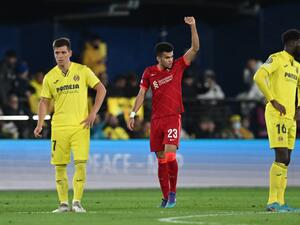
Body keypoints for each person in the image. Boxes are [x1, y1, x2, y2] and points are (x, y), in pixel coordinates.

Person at [127, 17, 199, 208]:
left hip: (172, 117)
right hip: (156, 120)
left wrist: (192, 26)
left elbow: (195, 49)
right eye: (167, 57)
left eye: (171, 56)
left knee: (170, 156)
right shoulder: (149, 72)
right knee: (160, 160)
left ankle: (173, 194)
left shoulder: (178, 66)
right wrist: (133, 114)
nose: (170, 60)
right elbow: (141, 93)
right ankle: (165, 196)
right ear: (158, 58)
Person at [33, 38, 106, 213]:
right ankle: (63, 204)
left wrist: (93, 112)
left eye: (63, 52)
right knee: (60, 166)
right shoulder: (50, 77)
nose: (60, 56)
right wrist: (40, 123)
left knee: (80, 164)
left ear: (70, 53)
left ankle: (77, 202)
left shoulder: (82, 70)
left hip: (81, 126)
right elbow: (44, 102)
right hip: (59, 127)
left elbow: (101, 89)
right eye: (57, 53)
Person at [254, 29, 300, 212]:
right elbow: (258, 77)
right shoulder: (276, 58)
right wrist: (272, 99)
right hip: (276, 114)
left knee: (286, 159)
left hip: (290, 118)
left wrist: (298, 109)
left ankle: (281, 202)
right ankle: (272, 202)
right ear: (292, 42)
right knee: (281, 156)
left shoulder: (297, 66)